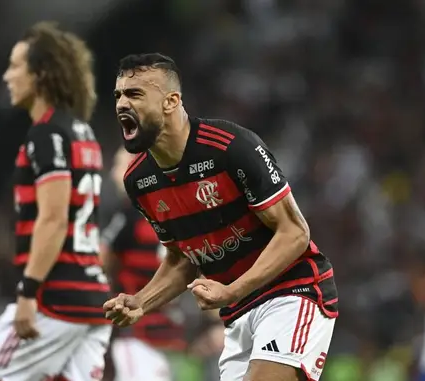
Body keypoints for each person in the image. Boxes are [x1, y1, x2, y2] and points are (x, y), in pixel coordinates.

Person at [103, 53, 339, 381]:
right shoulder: (139, 180)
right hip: (238, 311)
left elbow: (295, 233)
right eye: (118, 95)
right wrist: (141, 301)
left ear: (171, 101)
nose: (121, 104)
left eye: (135, 94)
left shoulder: (230, 147)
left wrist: (232, 290)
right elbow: (181, 259)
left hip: (292, 290)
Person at [0, 22, 111, 381]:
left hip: (54, 300)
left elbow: (53, 218)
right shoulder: (84, 134)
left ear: (41, 74)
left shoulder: (46, 135)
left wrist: (29, 292)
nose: (7, 76)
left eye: (16, 66)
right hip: (91, 300)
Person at [102, 147, 224, 381]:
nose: (113, 174)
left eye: (119, 166)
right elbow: (207, 274)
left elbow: (100, 264)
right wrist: (221, 324)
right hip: (176, 341)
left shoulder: (129, 218)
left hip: (138, 339)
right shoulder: (181, 218)